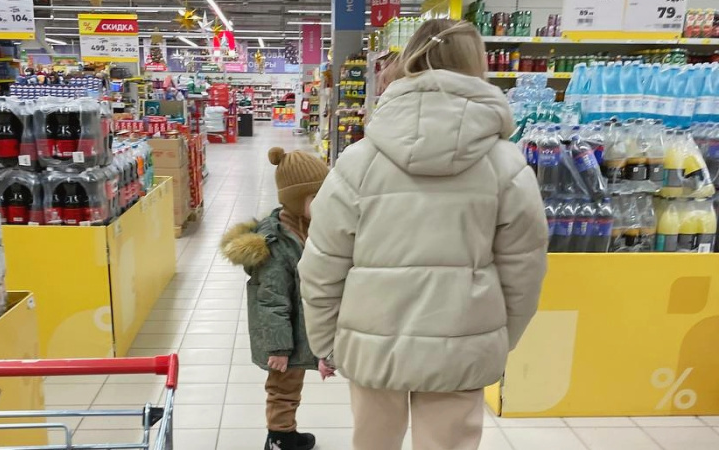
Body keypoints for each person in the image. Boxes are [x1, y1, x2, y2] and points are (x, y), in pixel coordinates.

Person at [297, 18, 549, 450]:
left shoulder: (359, 161)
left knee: (373, 442)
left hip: (372, 342)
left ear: (410, 61)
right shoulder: (507, 166)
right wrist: (500, 339)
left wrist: (326, 342)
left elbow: (322, 263)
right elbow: (524, 271)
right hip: (462, 344)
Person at [220, 147, 334, 450]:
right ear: (297, 201)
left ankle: (285, 431)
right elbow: (271, 302)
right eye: (316, 198)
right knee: (283, 386)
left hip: (297, 328)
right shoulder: (276, 245)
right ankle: (280, 437)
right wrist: (280, 348)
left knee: (292, 384)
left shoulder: (307, 227)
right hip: (282, 337)